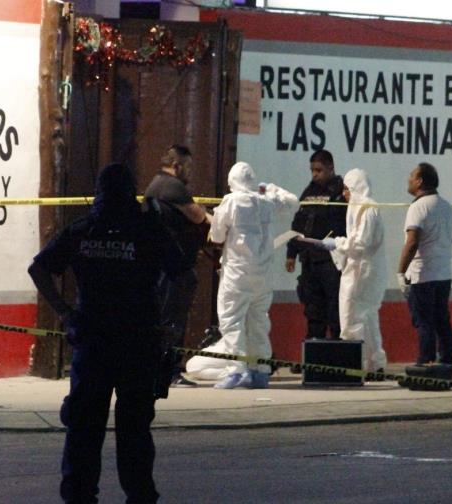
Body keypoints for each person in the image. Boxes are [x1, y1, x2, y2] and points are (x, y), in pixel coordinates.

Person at [28, 163, 185, 504]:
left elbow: (39, 268)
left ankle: (80, 497)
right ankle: (139, 497)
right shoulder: (148, 230)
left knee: (84, 431)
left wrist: (65, 314)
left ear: (98, 193)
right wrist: (170, 325)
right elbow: (184, 275)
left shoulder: (84, 230)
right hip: (137, 344)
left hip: (92, 344)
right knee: (134, 434)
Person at [186, 161, 299, 389]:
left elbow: (216, 237)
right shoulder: (265, 202)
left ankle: (237, 371)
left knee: (232, 322)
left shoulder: (230, 202)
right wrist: (271, 189)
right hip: (263, 277)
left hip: (237, 275)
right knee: (258, 322)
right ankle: (261, 371)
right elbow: (293, 202)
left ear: (233, 182)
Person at [144, 144, 210, 388]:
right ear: (177, 165)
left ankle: (159, 369)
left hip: (162, 266)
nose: (190, 173)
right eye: (188, 167)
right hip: (174, 267)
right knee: (173, 320)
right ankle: (169, 371)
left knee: (163, 318)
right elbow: (199, 217)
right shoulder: (173, 187)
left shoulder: (156, 185)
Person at [319, 168, 388, 375]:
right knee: (366, 318)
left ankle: (360, 366)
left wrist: (337, 243)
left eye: (347, 189)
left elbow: (360, 244)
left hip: (362, 272)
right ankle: (373, 364)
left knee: (355, 318)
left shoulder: (366, 208)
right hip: (362, 270)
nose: (344, 194)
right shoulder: (360, 208)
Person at [396, 162, 452, 366]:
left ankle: (425, 363)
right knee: (442, 321)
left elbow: (412, 242)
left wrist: (400, 272)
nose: (408, 179)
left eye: (412, 176)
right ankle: (446, 363)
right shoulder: (447, 207)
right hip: (444, 274)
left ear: (420, 181)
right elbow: (450, 240)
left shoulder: (418, 207)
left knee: (424, 322)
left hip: (423, 274)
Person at [286, 149, 348, 341]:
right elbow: (298, 223)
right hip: (310, 260)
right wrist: (291, 253)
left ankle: (337, 352)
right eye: (312, 170)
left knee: (335, 309)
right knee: (313, 309)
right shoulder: (309, 191)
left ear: (331, 168)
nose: (315, 174)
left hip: (331, 261)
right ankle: (314, 352)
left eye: (319, 170)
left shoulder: (341, 191)